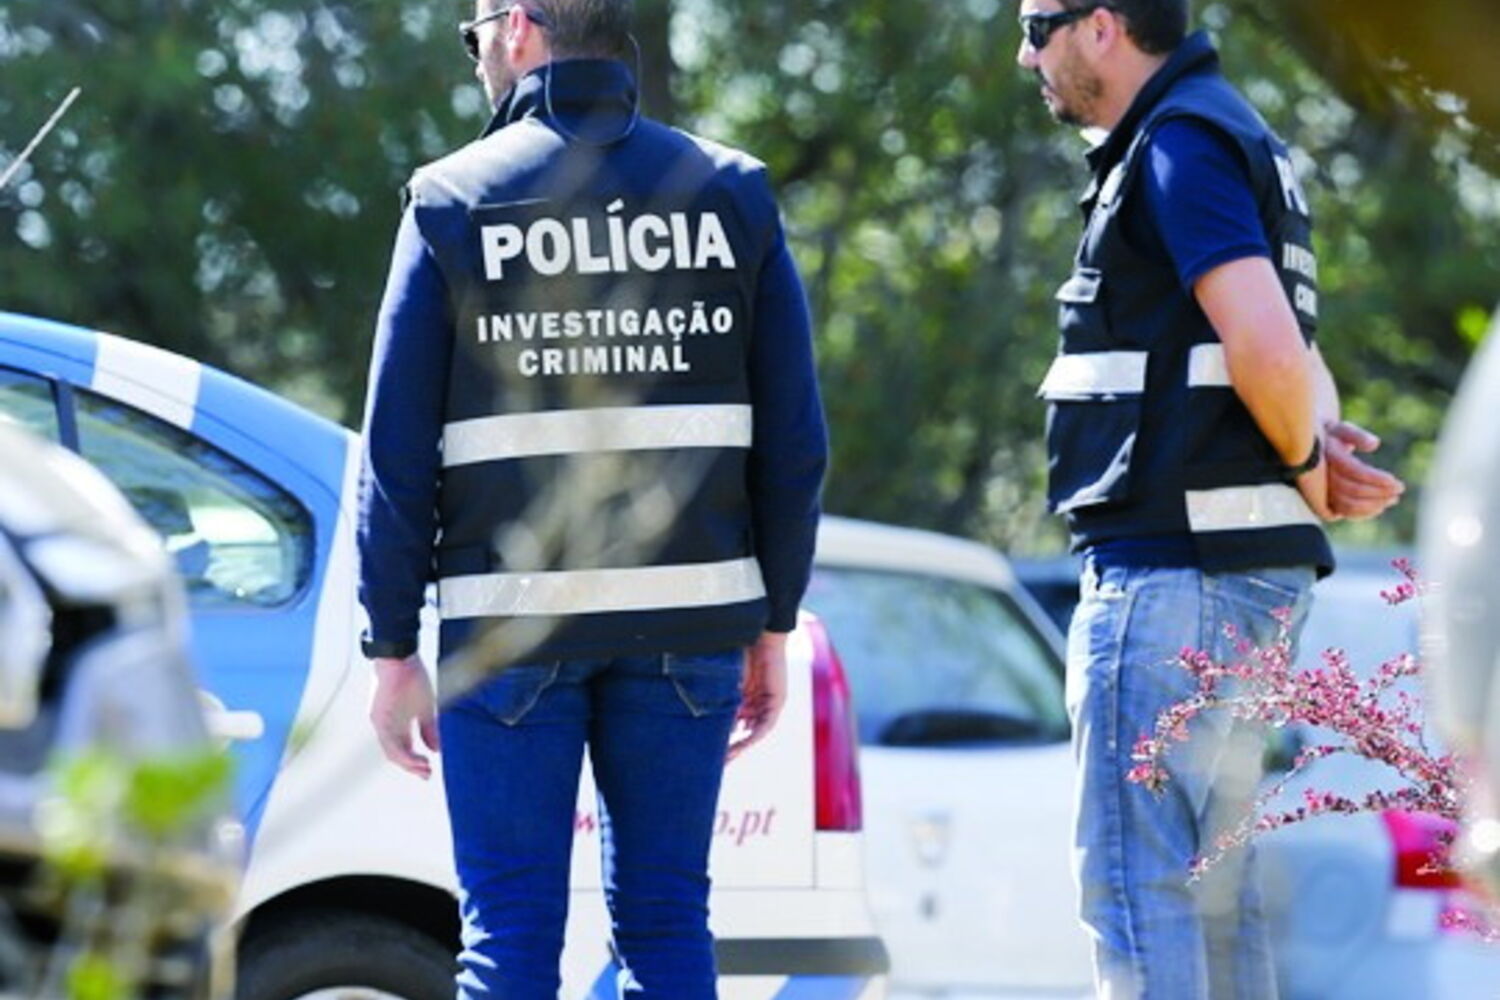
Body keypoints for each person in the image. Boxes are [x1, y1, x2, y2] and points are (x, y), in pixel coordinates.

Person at [354, 0, 828, 996]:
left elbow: (396, 450)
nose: (476, 56)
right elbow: (794, 443)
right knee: (667, 920)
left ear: (518, 26)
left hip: (508, 629)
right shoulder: (731, 193)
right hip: (691, 621)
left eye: (475, 34)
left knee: (509, 932)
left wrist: (390, 645)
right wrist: (773, 619)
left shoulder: (452, 199)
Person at [1015, 2, 1404, 997]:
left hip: (1172, 575)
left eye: (1036, 26)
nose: (1026, 55)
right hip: (1235, 576)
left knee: (1140, 889)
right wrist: (1310, 449)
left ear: (1101, 25)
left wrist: (1306, 462)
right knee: (1214, 903)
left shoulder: (1179, 141)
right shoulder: (1233, 133)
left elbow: (1266, 344)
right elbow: (1293, 351)